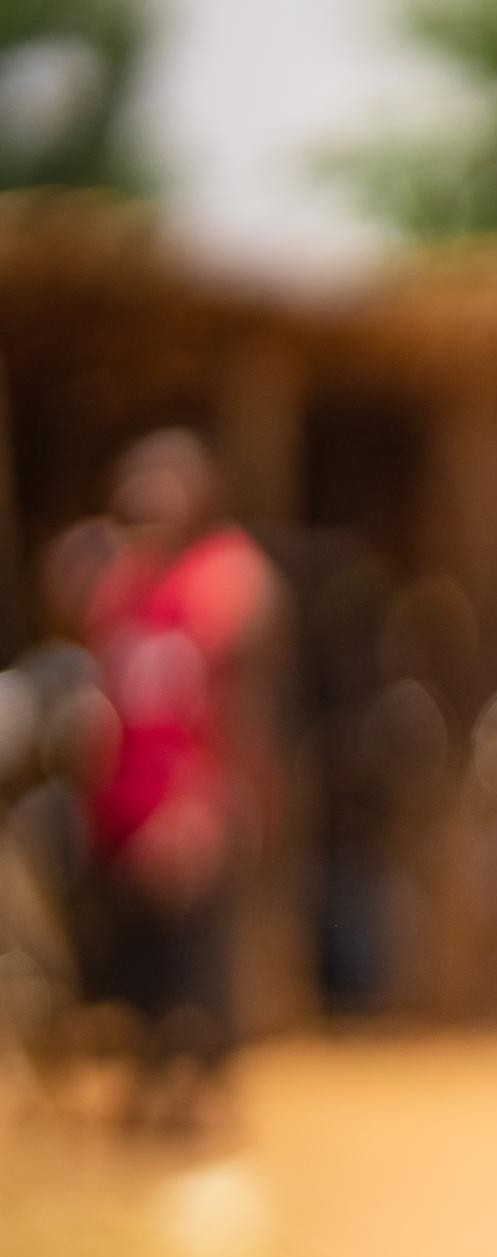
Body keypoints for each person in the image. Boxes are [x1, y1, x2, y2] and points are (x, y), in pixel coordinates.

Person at [79, 431, 279, 1133]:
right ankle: (152, 1088)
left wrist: (203, 805)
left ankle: (202, 1099)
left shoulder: (225, 579)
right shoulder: (123, 587)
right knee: (139, 966)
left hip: (196, 808)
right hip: (126, 813)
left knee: (198, 964)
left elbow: (241, 704)